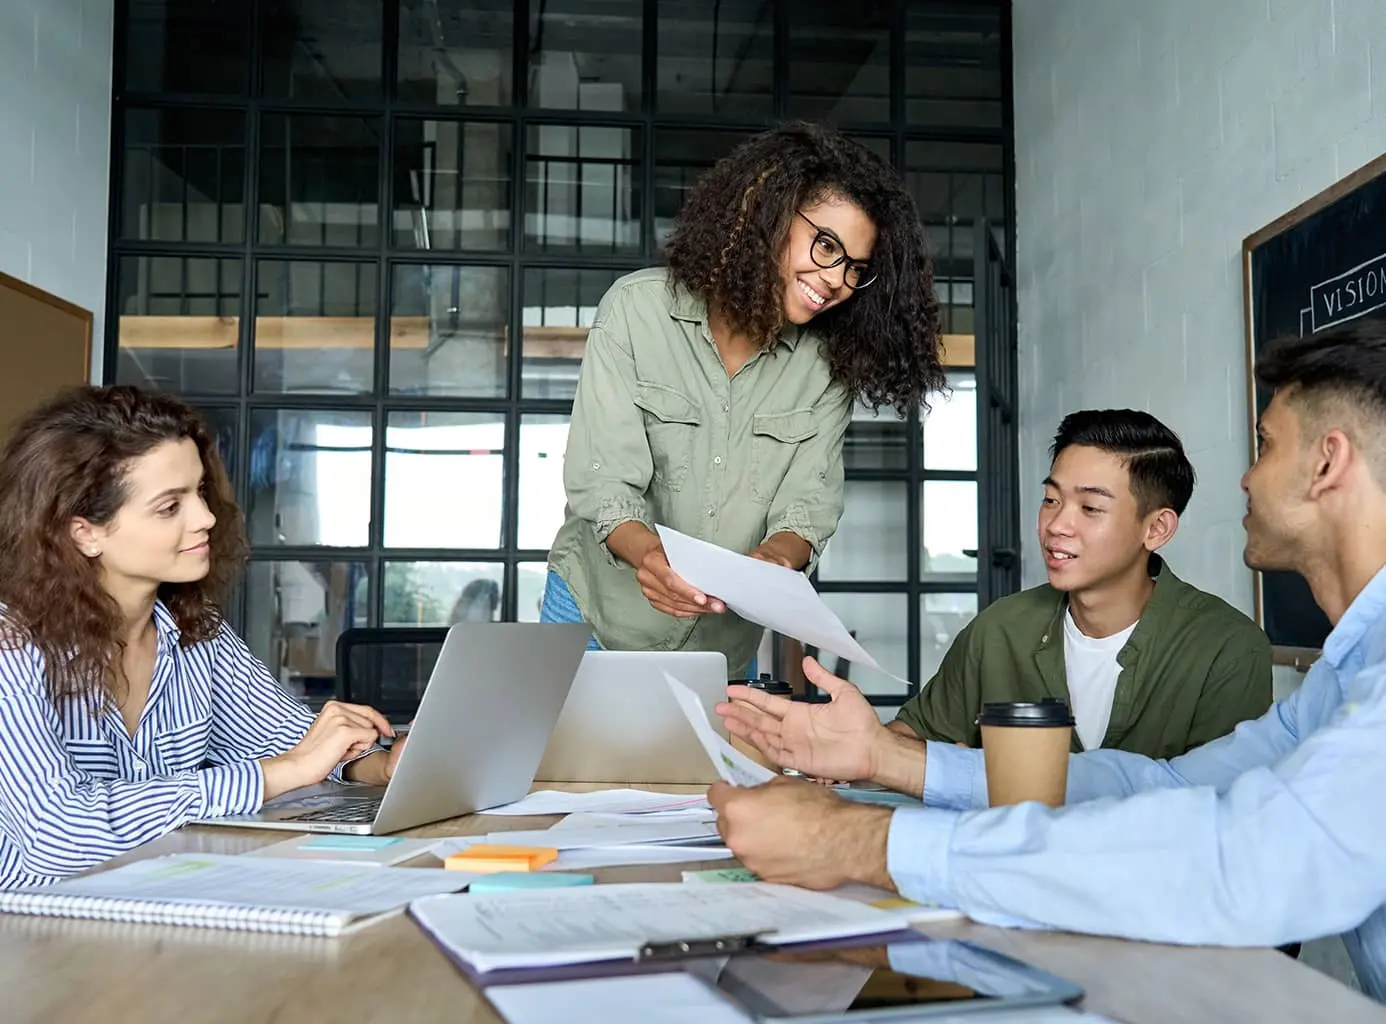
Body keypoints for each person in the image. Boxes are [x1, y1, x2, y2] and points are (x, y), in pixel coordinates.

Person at [711, 320, 1386, 1003]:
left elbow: (1241, 857)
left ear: (1328, 463)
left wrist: (862, 844)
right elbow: (1165, 790)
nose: (1246, 476)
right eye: (1052, 498)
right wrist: (886, 759)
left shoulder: (1248, 647)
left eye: (1265, 446)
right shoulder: (1340, 676)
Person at [541, 122, 945, 677]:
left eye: (856, 268)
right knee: (578, 767)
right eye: (826, 245)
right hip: (595, 619)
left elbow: (808, 505)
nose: (835, 281)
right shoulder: (637, 312)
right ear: (767, 214)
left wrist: (775, 561)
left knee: (711, 770)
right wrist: (650, 558)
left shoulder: (827, 366)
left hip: (722, 648)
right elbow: (602, 479)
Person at [0, 386, 403, 889]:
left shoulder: (196, 628)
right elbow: (55, 834)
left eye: (199, 492)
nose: (207, 518)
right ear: (85, 533)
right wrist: (275, 775)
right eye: (170, 507)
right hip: (29, 934)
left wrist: (380, 764)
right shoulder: (10, 644)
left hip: (162, 906)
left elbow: (292, 741)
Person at [894, 409, 1270, 758]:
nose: (1056, 525)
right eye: (1051, 499)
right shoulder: (1000, 629)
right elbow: (914, 734)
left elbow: (1219, 807)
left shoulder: (1226, 648)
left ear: (1156, 529)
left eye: (1090, 508)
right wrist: (856, 743)